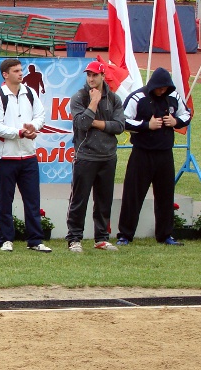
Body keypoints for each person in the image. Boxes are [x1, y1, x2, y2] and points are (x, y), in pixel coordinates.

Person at [116, 67, 192, 246]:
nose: (162, 91)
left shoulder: (174, 97)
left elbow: (187, 113)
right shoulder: (138, 97)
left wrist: (176, 122)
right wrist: (146, 125)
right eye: (159, 88)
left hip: (165, 154)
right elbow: (123, 120)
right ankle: (125, 234)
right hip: (142, 153)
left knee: (166, 195)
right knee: (133, 194)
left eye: (165, 88)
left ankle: (165, 234)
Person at [0, 58, 52, 252]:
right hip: (6, 158)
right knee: (5, 201)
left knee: (32, 200)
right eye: (15, 71)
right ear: (5, 75)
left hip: (29, 156)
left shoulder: (30, 93)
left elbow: (41, 115)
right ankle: (6, 239)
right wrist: (20, 132)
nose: (20, 73)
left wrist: (34, 127)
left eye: (20, 70)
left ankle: (35, 240)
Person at [65, 59, 125, 253]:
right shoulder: (79, 97)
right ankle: (74, 238)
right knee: (79, 200)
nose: (91, 78)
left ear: (102, 76)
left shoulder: (114, 99)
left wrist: (98, 123)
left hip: (108, 156)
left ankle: (101, 238)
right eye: (88, 75)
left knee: (104, 200)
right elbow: (81, 124)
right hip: (86, 156)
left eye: (94, 75)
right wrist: (93, 103)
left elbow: (120, 126)